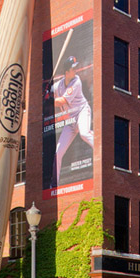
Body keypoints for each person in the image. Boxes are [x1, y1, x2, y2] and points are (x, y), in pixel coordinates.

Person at [49, 56, 93, 188]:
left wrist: (48, 100)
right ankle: (54, 183)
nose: (76, 70)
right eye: (73, 68)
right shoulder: (59, 85)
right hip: (70, 121)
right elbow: (50, 91)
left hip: (82, 113)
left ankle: (102, 152)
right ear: (66, 72)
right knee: (58, 153)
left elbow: (61, 101)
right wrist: (46, 93)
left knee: (84, 133)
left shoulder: (76, 81)